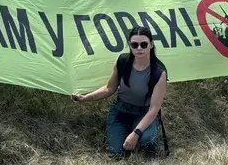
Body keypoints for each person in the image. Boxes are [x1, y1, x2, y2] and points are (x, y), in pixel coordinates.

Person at [72, 26, 168, 159]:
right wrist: (85, 98)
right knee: (116, 155)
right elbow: (109, 88)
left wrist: (136, 134)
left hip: (144, 112)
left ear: (151, 44)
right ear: (130, 45)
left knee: (148, 143)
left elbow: (154, 109)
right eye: (134, 45)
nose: (139, 48)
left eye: (144, 44)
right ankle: (124, 133)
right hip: (120, 111)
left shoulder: (159, 72)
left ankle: (140, 134)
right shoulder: (122, 61)